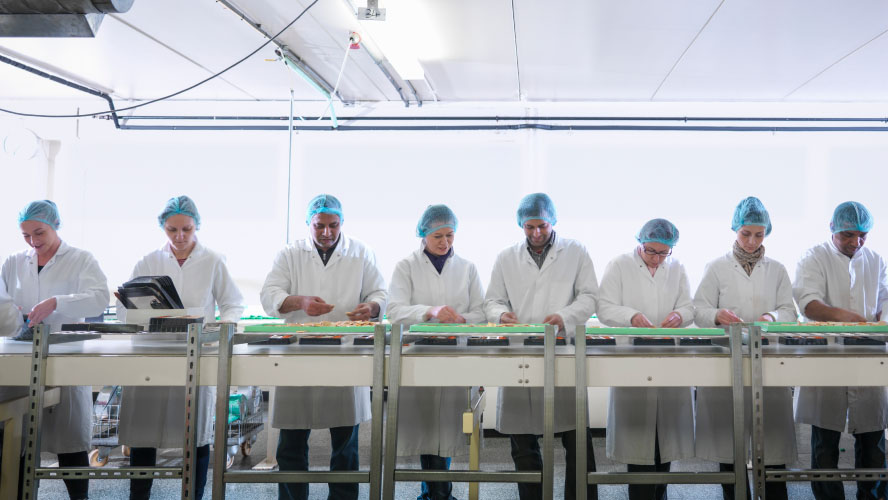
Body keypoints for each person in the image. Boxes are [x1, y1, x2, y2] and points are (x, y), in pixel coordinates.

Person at [260, 194, 387, 500]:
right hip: (298, 354)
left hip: (345, 354)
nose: (327, 232)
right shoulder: (290, 253)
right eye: (320, 226)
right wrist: (299, 301)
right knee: (291, 441)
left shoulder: (361, 252)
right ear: (309, 223)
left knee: (346, 444)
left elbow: (381, 293)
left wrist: (370, 308)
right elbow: (269, 295)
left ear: (342, 222)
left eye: (333, 225)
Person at [118, 196, 244, 500]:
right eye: (172, 230)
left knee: (196, 433)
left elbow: (232, 304)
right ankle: (139, 494)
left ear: (196, 225)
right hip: (152, 353)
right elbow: (125, 310)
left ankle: (194, 495)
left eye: (186, 229)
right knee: (143, 432)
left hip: (196, 353)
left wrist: (221, 327)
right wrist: (144, 314)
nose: (179, 237)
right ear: (163, 227)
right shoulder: (148, 260)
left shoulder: (213, 260)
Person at [483, 193, 598, 500]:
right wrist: (499, 314)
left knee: (576, 436)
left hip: (561, 348)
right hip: (520, 350)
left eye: (542, 226)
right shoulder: (506, 257)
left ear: (553, 221)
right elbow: (492, 299)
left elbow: (589, 297)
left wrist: (564, 316)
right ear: (521, 224)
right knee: (522, 440)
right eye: (529, 227)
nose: (536, 233)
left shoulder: (575, 251)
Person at [0, 200, 110, 500]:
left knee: (70, 439)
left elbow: (99, 298)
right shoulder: (12, 262)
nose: (33, 242)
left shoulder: (80, 259)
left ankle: (80, 497)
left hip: (66, 356)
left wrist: (57, 302)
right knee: (17, 437)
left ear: (55, 226)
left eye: (39, 233)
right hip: (19, 356)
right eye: (26, 236)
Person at [693, 196, 797, 500]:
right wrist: (716, 314)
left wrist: (771, 317)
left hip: (767, 360)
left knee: (774, 441)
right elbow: (698, 309)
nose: (752, 241)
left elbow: (789, 311)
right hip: (728, 359)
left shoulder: (777, 269)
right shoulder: (715, 268)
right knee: (730, 440)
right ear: (735, 230)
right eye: (745, 233)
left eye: (759, 235)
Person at [387, 204, 485, 500]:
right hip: (419, 355)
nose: (445, 242)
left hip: (455, 354)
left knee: (449, 428)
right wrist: (429, 312)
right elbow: (394, 311)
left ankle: (439, 492)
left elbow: (481, 311)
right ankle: (434, 493)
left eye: (450, 235)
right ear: (423, 235)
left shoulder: (467, 268)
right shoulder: (406, 266)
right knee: (426, 427)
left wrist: (461, 319)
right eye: (438, 236)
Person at [794, 201, 888, 500]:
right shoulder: (814, 257)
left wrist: (882, 321)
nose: (855, 242)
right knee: (825, 441)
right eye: (848, 234)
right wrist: (852, 318)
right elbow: (809, 303)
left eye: (862, 235)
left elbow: (886, 299)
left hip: (869, 355)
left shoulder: (875, 259)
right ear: (833, 228)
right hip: (828, 353)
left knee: (873, 438)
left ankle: (870, 496)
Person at [598, 218, 694, 500]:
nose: (657, 259)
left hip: (667, 358)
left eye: (664, 253)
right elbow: (604, 308)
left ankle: (660, 494)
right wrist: (630, 316)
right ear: (639, 243)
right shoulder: (619, 265)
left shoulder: (677, 268)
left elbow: (689, 306)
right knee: (638, 440)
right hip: (633, 359)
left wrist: (681, 315)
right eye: (651, 251)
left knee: (665, 439)